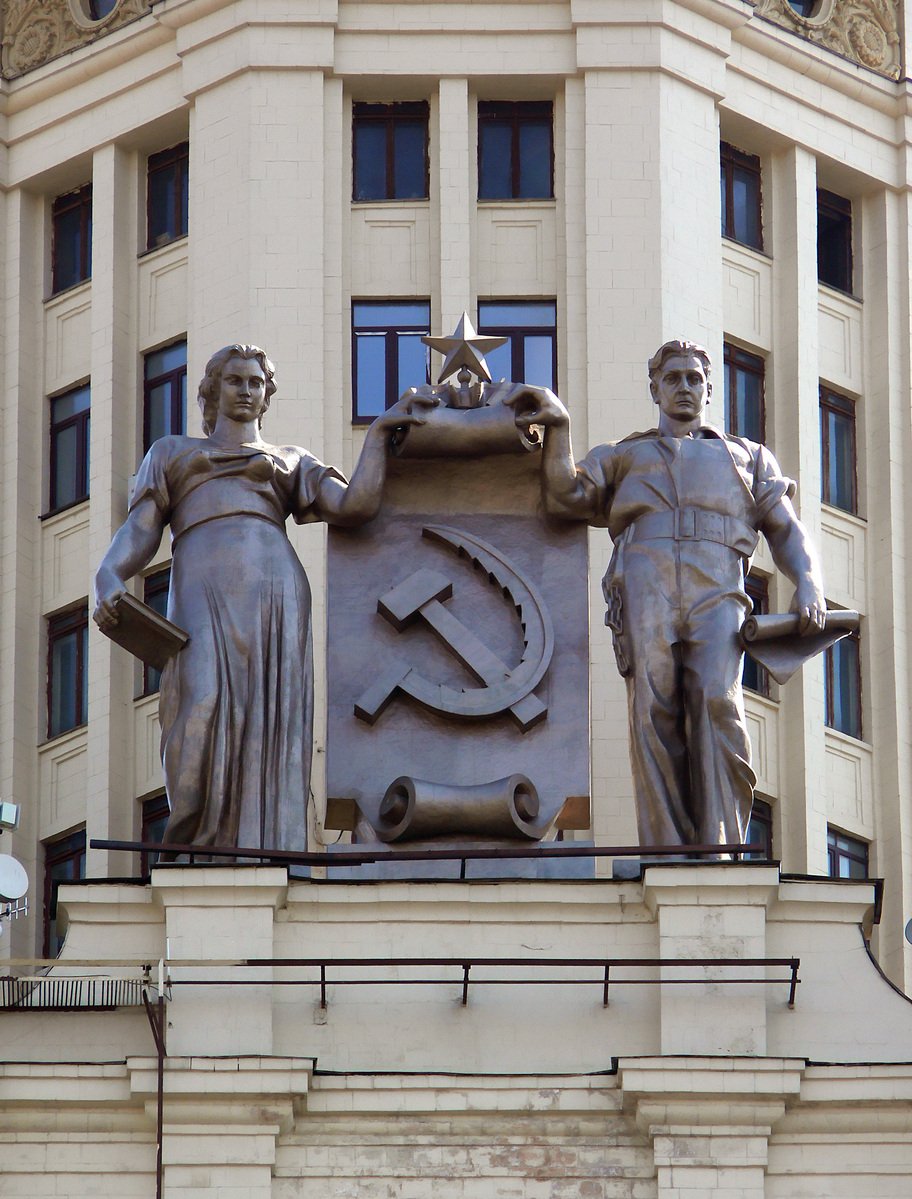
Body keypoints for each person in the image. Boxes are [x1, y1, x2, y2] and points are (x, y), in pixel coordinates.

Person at [94, 344, 433, 853]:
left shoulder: (290, 460)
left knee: (271, 726)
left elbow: (353, 505)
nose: (247, 391)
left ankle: (264, 850)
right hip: (201, 592)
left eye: (256, 383)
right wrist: (108, 575)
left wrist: (381, 435)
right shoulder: (172, 453)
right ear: (213, 389)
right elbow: (140, 530)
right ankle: (197, 847)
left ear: (267, 394)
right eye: (236, 380)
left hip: (276, 591)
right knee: (200, 705)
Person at [506, 339, 826, 851]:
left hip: (717, 587)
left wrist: (809, 582)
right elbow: (566, 497)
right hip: (645, 582)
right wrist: (559, 429)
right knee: (651, 711)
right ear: (654, 388)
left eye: (694, 379)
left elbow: (785, 529)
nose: (684, 387)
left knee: (718, 703)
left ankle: (720, 848)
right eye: (673, 378)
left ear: (709, 389)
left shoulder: (748, 457)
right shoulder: (624, 455)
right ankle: (667, 851)